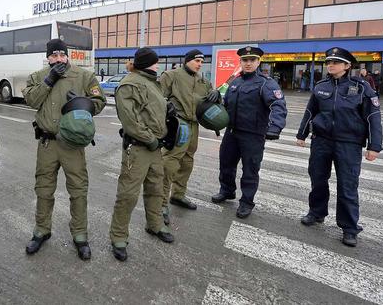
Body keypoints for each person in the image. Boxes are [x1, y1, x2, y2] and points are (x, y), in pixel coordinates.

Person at [22, 39, 105, 260]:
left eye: (61, 54)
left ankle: (80, 235)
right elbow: (30, 100)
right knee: (44, 188)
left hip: (73, 144)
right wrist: (48, 81)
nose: (58, 58)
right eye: (54, 55)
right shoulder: (38, 77)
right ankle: (41, 229)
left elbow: (99, 100)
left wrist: (81, 102)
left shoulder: (83, 76)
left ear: (67, 55)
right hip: (47, 143)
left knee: (78, 190)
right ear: (48, 57)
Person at [296, 47, 382, 247]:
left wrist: (374, 146)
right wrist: (302, 134)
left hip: (348, 145)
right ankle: (316, 212)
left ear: (347, 65)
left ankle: (350, 228)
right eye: (328, 62)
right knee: (317, 179)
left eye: (335, 62)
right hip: (321, 141)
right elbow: (310, 112)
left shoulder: (361, 88)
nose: (330, 65)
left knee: (347, 186)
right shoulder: (321, 86)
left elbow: (373, 118)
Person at [109, 47, 173, 262]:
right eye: (155, 62)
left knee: (156, 188)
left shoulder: (151, 82)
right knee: (128, 194)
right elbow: (130, 121)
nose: (158, 65)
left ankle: (155, 224)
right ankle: (118, 237)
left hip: (155, 147)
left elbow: (151, 112)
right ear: (147, 63)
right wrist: (152, 139)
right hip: (138, 147)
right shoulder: (130, 84)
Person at [211, 46, 287, 218]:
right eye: (245, 60)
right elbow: (225, 106)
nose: (248, 63)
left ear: (258, 62)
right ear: (240, 62)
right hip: (232, 132)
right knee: (226, 164)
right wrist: (215, 105)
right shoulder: (234, 82)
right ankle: (227, 191)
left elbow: (278, 106)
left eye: (252, 60)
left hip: (253, 134)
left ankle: (246, 202)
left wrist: (275, 127)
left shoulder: (266, 83)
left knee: (250, 169)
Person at [159, 49, 219, 224]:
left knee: (187, 161)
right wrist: (167, 105)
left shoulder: (203, 81)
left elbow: (211, 102)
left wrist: (217, 97)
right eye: (196, 61)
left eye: (202, 61)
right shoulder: (171, 75)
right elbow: (157, 96)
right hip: (177, 124)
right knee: (169, 162)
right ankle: (161, 203)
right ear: (187, 61)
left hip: (194, 125)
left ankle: (178, 195)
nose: (200, 64)